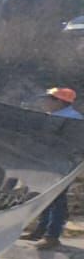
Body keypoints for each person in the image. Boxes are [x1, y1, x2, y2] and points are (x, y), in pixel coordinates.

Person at [30, 86, 83, 250]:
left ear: (59, 101)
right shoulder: (55, 116)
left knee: (57, 199)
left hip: (62, 164)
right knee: (45, 196)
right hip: (50, 162)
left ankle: (52, 236)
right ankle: (41, 230)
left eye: (47, 99)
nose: (44, 103)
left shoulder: (73, 120)